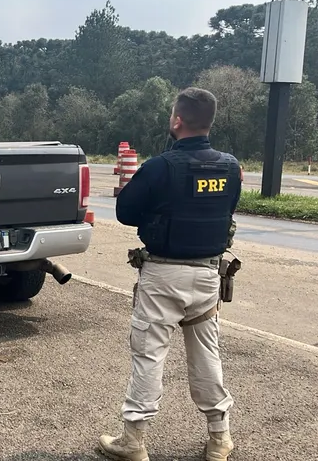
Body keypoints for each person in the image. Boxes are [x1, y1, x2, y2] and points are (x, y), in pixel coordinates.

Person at [98, 87, 242, 461]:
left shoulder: (160, 166)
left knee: (149, 356)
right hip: (210, 276)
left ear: (177, 120)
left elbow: (126, 212)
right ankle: (219, 438)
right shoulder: (230, 166)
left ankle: (133, 441)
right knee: (207, 356)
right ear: (209, 121)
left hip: (163, 276)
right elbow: (228, 206)